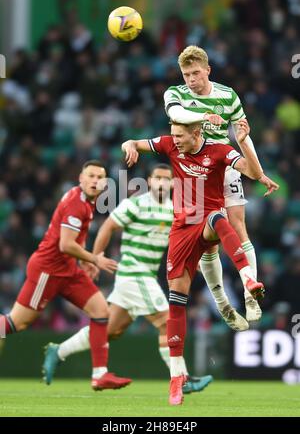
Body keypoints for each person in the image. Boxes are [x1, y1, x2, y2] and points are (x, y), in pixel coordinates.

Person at [121, 119, 265, 405]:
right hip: (181, 231)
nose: (174, 141)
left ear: (196, 133)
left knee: (218, 218)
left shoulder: (220, 151)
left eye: (180, 136)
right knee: (177, 303)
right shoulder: (170, 145)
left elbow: (253, 172)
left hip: (207, 221)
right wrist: (129, 144)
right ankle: (176, 377)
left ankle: (247, 279)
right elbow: (137, 143)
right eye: (173, 135)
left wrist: (245, 142)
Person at [43, 164, 213, 395]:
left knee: (111, 330)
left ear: (173, 183)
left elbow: (188, 240)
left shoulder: (175, 209)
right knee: (167, 320)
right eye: (157, 178)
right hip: (135, 272)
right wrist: (96, 258)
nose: (161, 183)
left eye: (166, 179)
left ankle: (59, 351)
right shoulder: (136, 204)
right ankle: (182, 378)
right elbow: (107, 228)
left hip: (141, 277)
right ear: (149, 181)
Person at [164, 45, 279, 324]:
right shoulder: (175, 93)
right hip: (192, 171)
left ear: (207, 70)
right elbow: (177, 116)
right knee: (208, 244)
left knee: (239, 227)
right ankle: (222, 304)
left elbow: (243, 135)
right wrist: (204, 117)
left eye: (195, 73)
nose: (191, 79)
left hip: (224, 164)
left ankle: (250, 296)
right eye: (186, 74)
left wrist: (258, 172)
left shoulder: (227, 96)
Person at [0, 160, 131, 392]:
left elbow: (74, 240)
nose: (94, 180)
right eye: (90, 175)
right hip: (47, 270)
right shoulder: (76, 203)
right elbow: (65, 244)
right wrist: (94, 259)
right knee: (17, 323)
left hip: (68, 270)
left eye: (99, 177)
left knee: (101, 311)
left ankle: (99, 375)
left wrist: (82, 260)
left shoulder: (87, 202)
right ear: (80, 178)